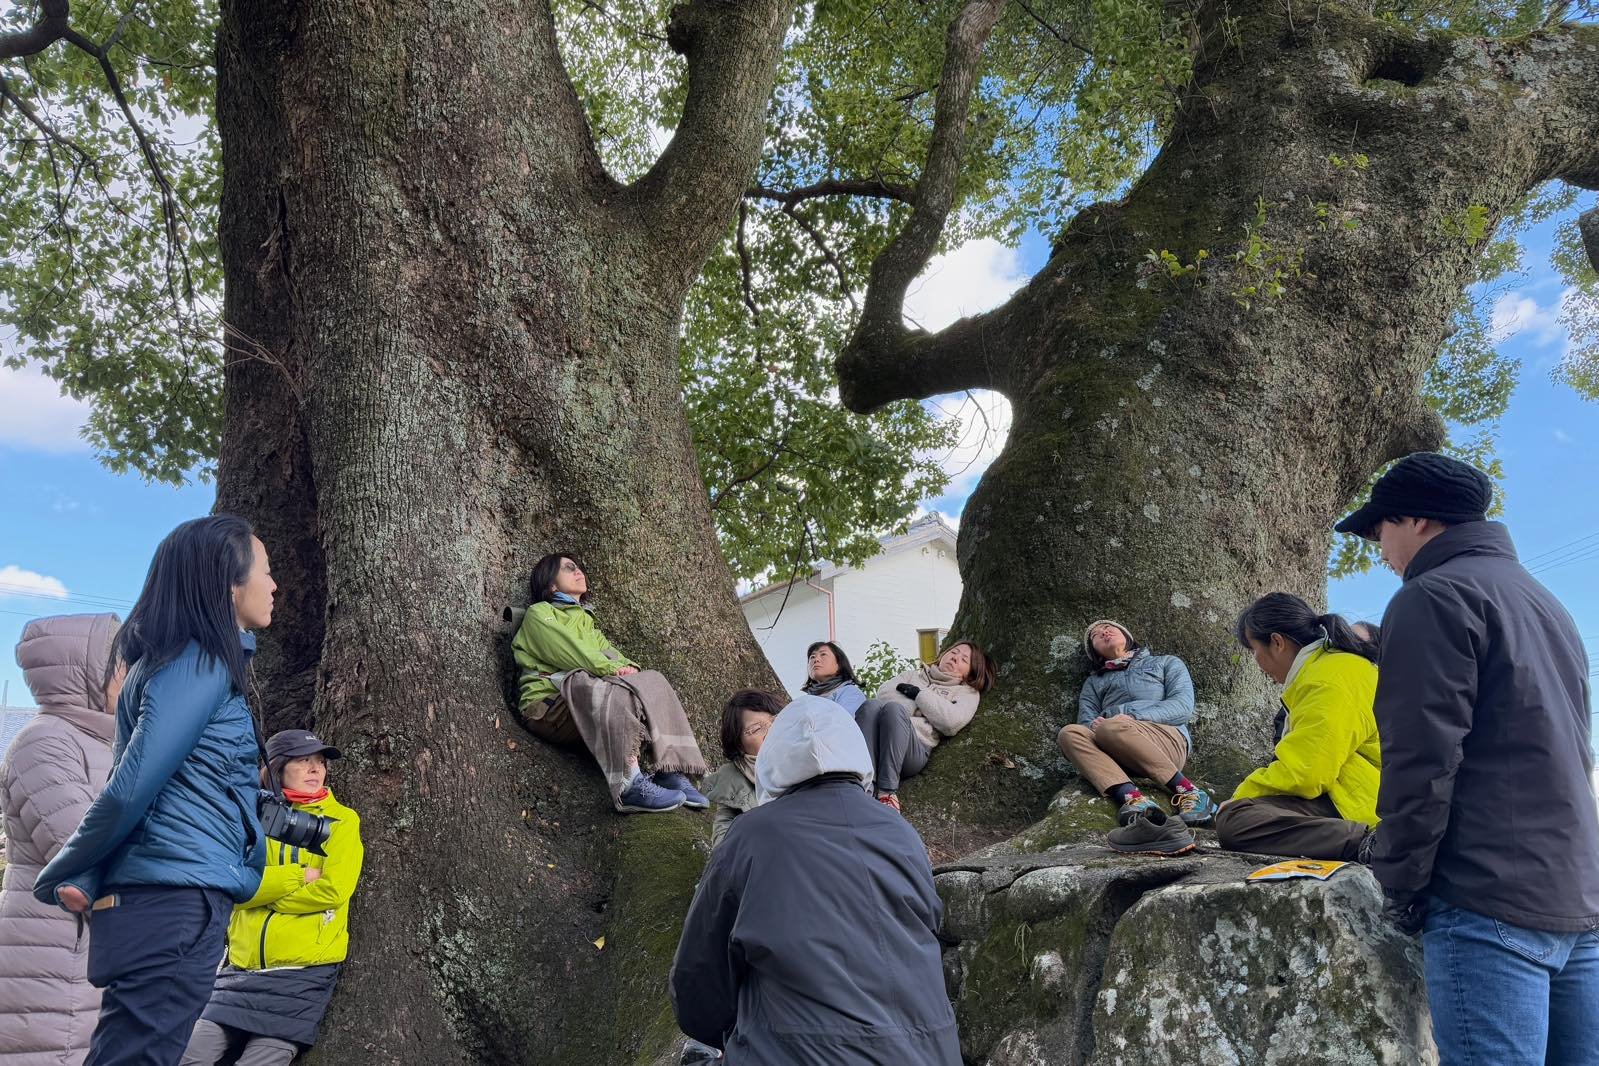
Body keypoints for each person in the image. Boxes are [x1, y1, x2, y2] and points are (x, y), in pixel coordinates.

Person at [1335, 451, 1599, 1065]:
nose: (1378, 545)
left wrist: (1397, 880)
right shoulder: (1545, 603)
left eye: (1380, 528)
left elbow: (1422, 757)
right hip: (1574, 897)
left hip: (1485, 897)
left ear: (1421, 522)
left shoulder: (1433, 595)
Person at [32, 515, 273, 1066]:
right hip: (176, 904)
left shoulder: (178, 664)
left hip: (169, 898)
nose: (276, 584)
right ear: (227, 584)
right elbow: (130, 786)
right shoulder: (201, 663)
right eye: (267, 569)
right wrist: (69, 868)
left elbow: (158, 787)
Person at [669, 695, 960, 1064]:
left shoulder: (749, 835)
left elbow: (697, 982)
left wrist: (722, 1032)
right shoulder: (902, 834)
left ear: (773, 760)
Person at [181, 730, 363, 1066]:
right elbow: (231, 887)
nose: (315, 769)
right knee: (190, 1056)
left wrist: (265, 896)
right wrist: (296, 877)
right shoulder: (248, 822)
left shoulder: (341, 822)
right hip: (240, 969)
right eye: (303, 761)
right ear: (277, 769)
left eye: (320, 762)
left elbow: (334, 889)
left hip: (302, 973)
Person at [0, 613, 123, 1066]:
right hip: (51, 954)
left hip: (89, 956)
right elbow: (82, 850)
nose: (129, 674)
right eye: (119, 663)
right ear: (86, 671)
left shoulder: (110, 745)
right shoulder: (45, 742)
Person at [512, 553, 709, 814]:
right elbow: (574, 655)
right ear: (552, 585)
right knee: (588, 679)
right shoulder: (540, 613)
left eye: (579, 566)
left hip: (585, 703)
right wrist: (616, 670)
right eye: (569, 568)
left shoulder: (586, 622)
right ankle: (630, 783)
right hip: (548, 708)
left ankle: (669, 769)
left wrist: (630, 670)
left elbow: (615, 657)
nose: (579, 571)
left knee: (651, 680)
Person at [1215, 594, 1381, 862]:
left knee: (1235, 819)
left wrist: (1240, 797)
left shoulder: (1331, 677)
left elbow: (1308, 771)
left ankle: (1376, 843)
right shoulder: (1328, 669)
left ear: (1277, 642)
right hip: (1348, 794)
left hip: (1365, 800)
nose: (1257, 664)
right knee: (1242, 815)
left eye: (1254, 651)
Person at [1058, 620, 1215, 834]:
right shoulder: (1094, 683)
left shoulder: (1166, 663)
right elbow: (1086, 722)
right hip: (1113, 752)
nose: (1104, 632)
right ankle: (1134, 799)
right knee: (1069, 733)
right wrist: (1104, 725)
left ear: (1128, 636)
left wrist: (1129, 717)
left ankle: (1189, 791)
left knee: (1110, 727)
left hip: (1164, 742)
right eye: (1095, 635)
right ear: (1095, 653)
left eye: (1109, 627)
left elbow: (1183, 706)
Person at [853, 640, 994, 813]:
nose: (955, 658)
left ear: (970, 672)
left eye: (964, 660)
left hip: (914, 749)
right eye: (954, 652)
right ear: (943, 654)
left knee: (894, 709)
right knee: (871, 706)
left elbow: (951, 722)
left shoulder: (966, 692)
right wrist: (923, 709)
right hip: (880, 742)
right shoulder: (913, 675)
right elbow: (883, 694)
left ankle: (887, 793)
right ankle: (862, 784)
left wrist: (918, 695)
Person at [701, 689, 783, 848]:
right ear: (739, 745)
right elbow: (725, 856)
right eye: (757, 729)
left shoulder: (822, 765)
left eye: (776, 720)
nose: (771, 731)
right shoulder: (733, 795)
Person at [800, 641, 865, 713]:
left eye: (823, 654)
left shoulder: (850, 692)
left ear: (839, 664)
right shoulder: (805, 700)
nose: (816, 660)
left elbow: (842, 721)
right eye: (812, 657)